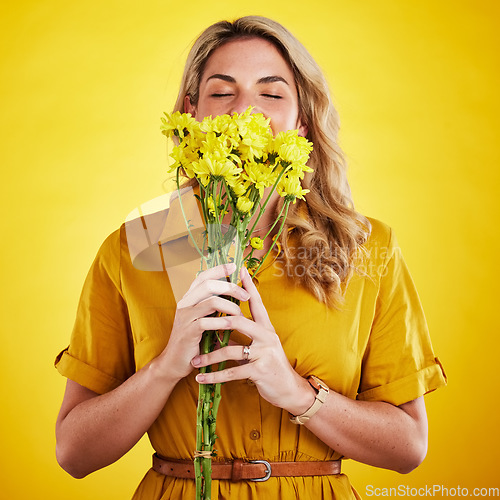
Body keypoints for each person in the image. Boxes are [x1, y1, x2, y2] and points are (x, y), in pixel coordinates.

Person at [55, 15, 447, 499]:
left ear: (302, 120)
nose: (246, 112)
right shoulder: (139, 245)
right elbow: (74, 453)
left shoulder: (365, 249)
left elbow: (408, 447)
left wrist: (299, 394)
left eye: (272, 93)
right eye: (222, 93)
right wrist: (165, 367)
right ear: (191, 111)